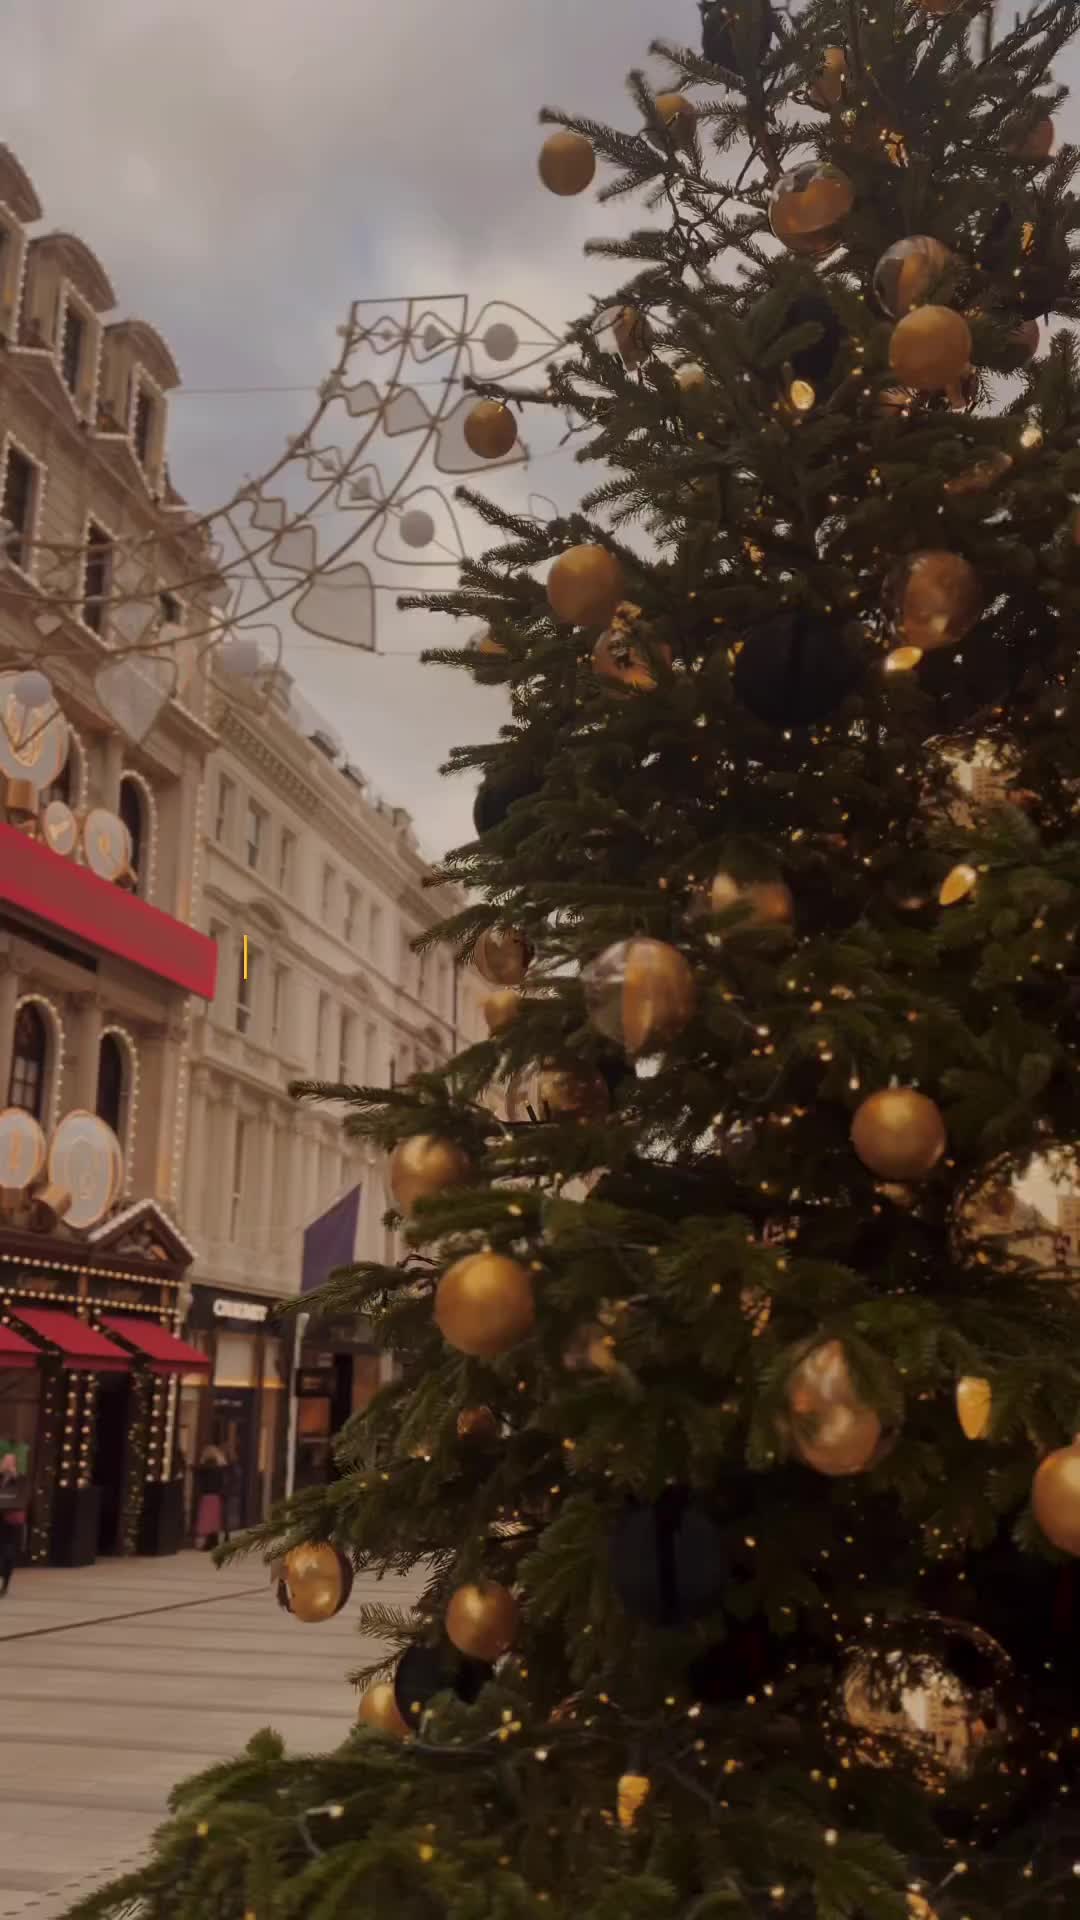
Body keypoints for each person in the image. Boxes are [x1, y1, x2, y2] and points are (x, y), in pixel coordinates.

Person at [0, 1451, 27, 1596]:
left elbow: (23, 1493)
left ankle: (5, 1584)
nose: (7, 1464)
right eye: (5, 1461)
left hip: (11, 1521)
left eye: (10, 1462)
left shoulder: (20, 1479)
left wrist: (14, 1476)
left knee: (8, 1553)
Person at [194, 1443, 226, 1550]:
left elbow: (197, 1471)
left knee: (207, 1519)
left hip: (207, 1495)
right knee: (214, 1520)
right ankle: (214, 1540)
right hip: (217, 1495)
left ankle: (208, 1543)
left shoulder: (206, 1467)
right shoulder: (220, 1468)